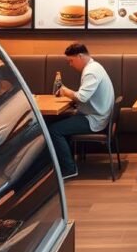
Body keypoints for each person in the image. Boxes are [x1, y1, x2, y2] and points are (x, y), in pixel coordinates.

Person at [47, 43, 115, 179]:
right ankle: (63, 163)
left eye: (71, 61)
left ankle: (69, 169)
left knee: (54, 130)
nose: (71, 65)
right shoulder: (95, 66)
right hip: (97, 113)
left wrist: (66, 91)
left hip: (94, 119)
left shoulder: (91, 71)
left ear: (80, 56)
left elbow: (83, 97)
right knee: (56, 122)